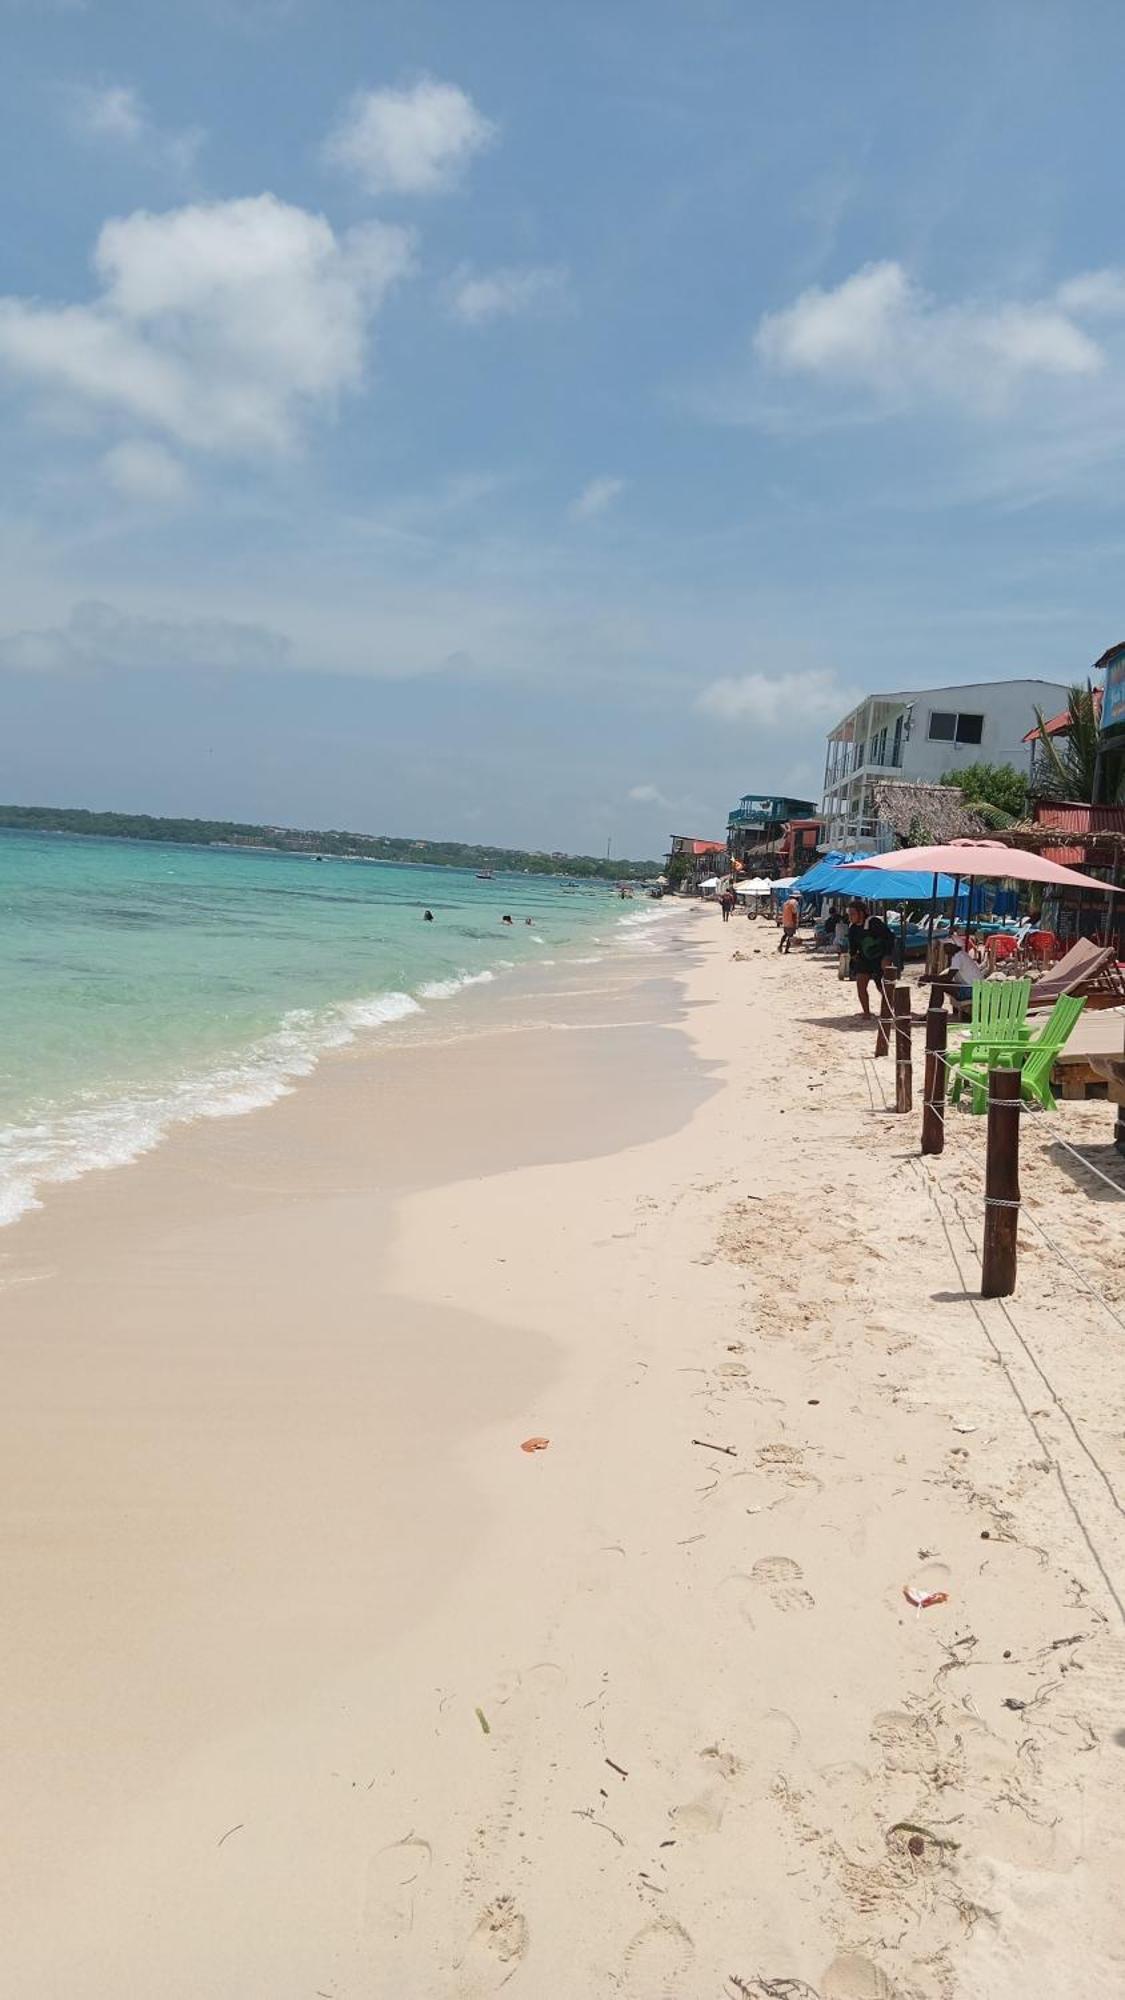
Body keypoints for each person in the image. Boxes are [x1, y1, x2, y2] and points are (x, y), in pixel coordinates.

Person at [856, 912, 893, 1017]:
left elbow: (889, 937)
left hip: (879, 958)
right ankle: (866, 1012)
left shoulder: (874, 922)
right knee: (860, 984)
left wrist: (887, 956)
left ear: (861, 913)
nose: (850, 917)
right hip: (864, 959)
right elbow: (853, 945)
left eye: (853, 914)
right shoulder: (853, 927)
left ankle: (891, 1009)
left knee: (881, 986)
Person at [947, 939, 985, 1008]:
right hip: (975, 988)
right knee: (943, 984)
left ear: (954, 947)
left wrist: (930, 978)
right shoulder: (961, 955)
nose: (944, 947)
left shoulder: (958, 957)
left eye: (947, 945)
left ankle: (934, 1012)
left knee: (938, 986)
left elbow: (948, 977)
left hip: (971, 990)